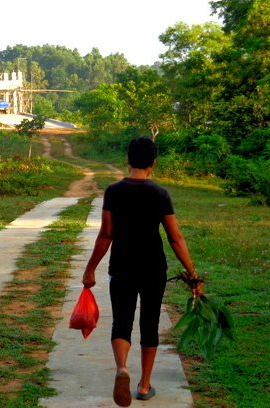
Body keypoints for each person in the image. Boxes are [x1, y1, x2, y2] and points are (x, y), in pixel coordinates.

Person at [82, 137, 202, 407]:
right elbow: (175, 238)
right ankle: (145, 385)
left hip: (122, 266)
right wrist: (192, 274)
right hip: (153, 268)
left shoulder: (114, 191)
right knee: (149, 324)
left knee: (121, 322)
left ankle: (122, 369)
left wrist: (90, 269)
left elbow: (106, 233)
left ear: (128, 161)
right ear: (153, 163)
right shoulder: (160, 194)